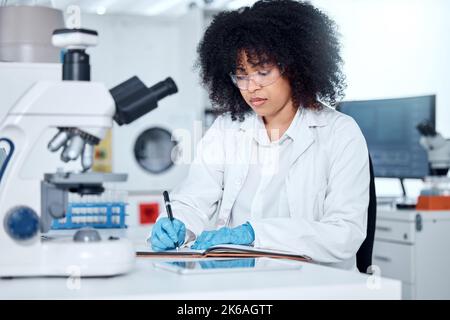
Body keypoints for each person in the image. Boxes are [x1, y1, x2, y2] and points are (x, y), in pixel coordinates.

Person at [149, 0, 369, 271]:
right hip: (239, 284)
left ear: (295, 67)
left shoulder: (340, 133)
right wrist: (178, 224)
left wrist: (255, 235)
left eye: (263, 72)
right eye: (241, 75)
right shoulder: (227, 129)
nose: (251, 86)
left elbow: (344, 234)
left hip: (315, 284)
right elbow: (193, 197)